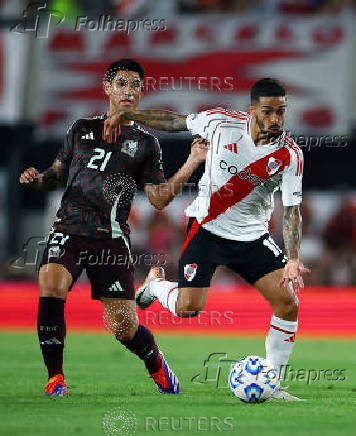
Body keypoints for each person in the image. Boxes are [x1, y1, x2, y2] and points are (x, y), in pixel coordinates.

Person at [104, 78, 310, 401]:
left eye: (281, 112)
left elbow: (292, 211)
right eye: (268, 111)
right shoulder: (220, 124)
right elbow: (174, 122)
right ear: (252, 110)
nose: (275, 120)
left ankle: (274, 384)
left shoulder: (290, 155)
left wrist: (294, 258)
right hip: (207, 228)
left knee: (288, 304)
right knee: (189, 308)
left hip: (252, 237)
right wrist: (133, 116)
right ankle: (156, 285)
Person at [19, 58, 208, 396]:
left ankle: (156, 366)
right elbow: (57, 176)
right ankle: (55, 378)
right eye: (121, 83)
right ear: (106, 87)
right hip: (69, 229)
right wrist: (38, 180)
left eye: (135, 85)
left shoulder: (147, 144)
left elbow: (160, 199)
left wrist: (193, 161)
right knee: (51, 283)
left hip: (110, 240)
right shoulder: (80, 129)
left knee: (124, 327)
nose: (128, 90)